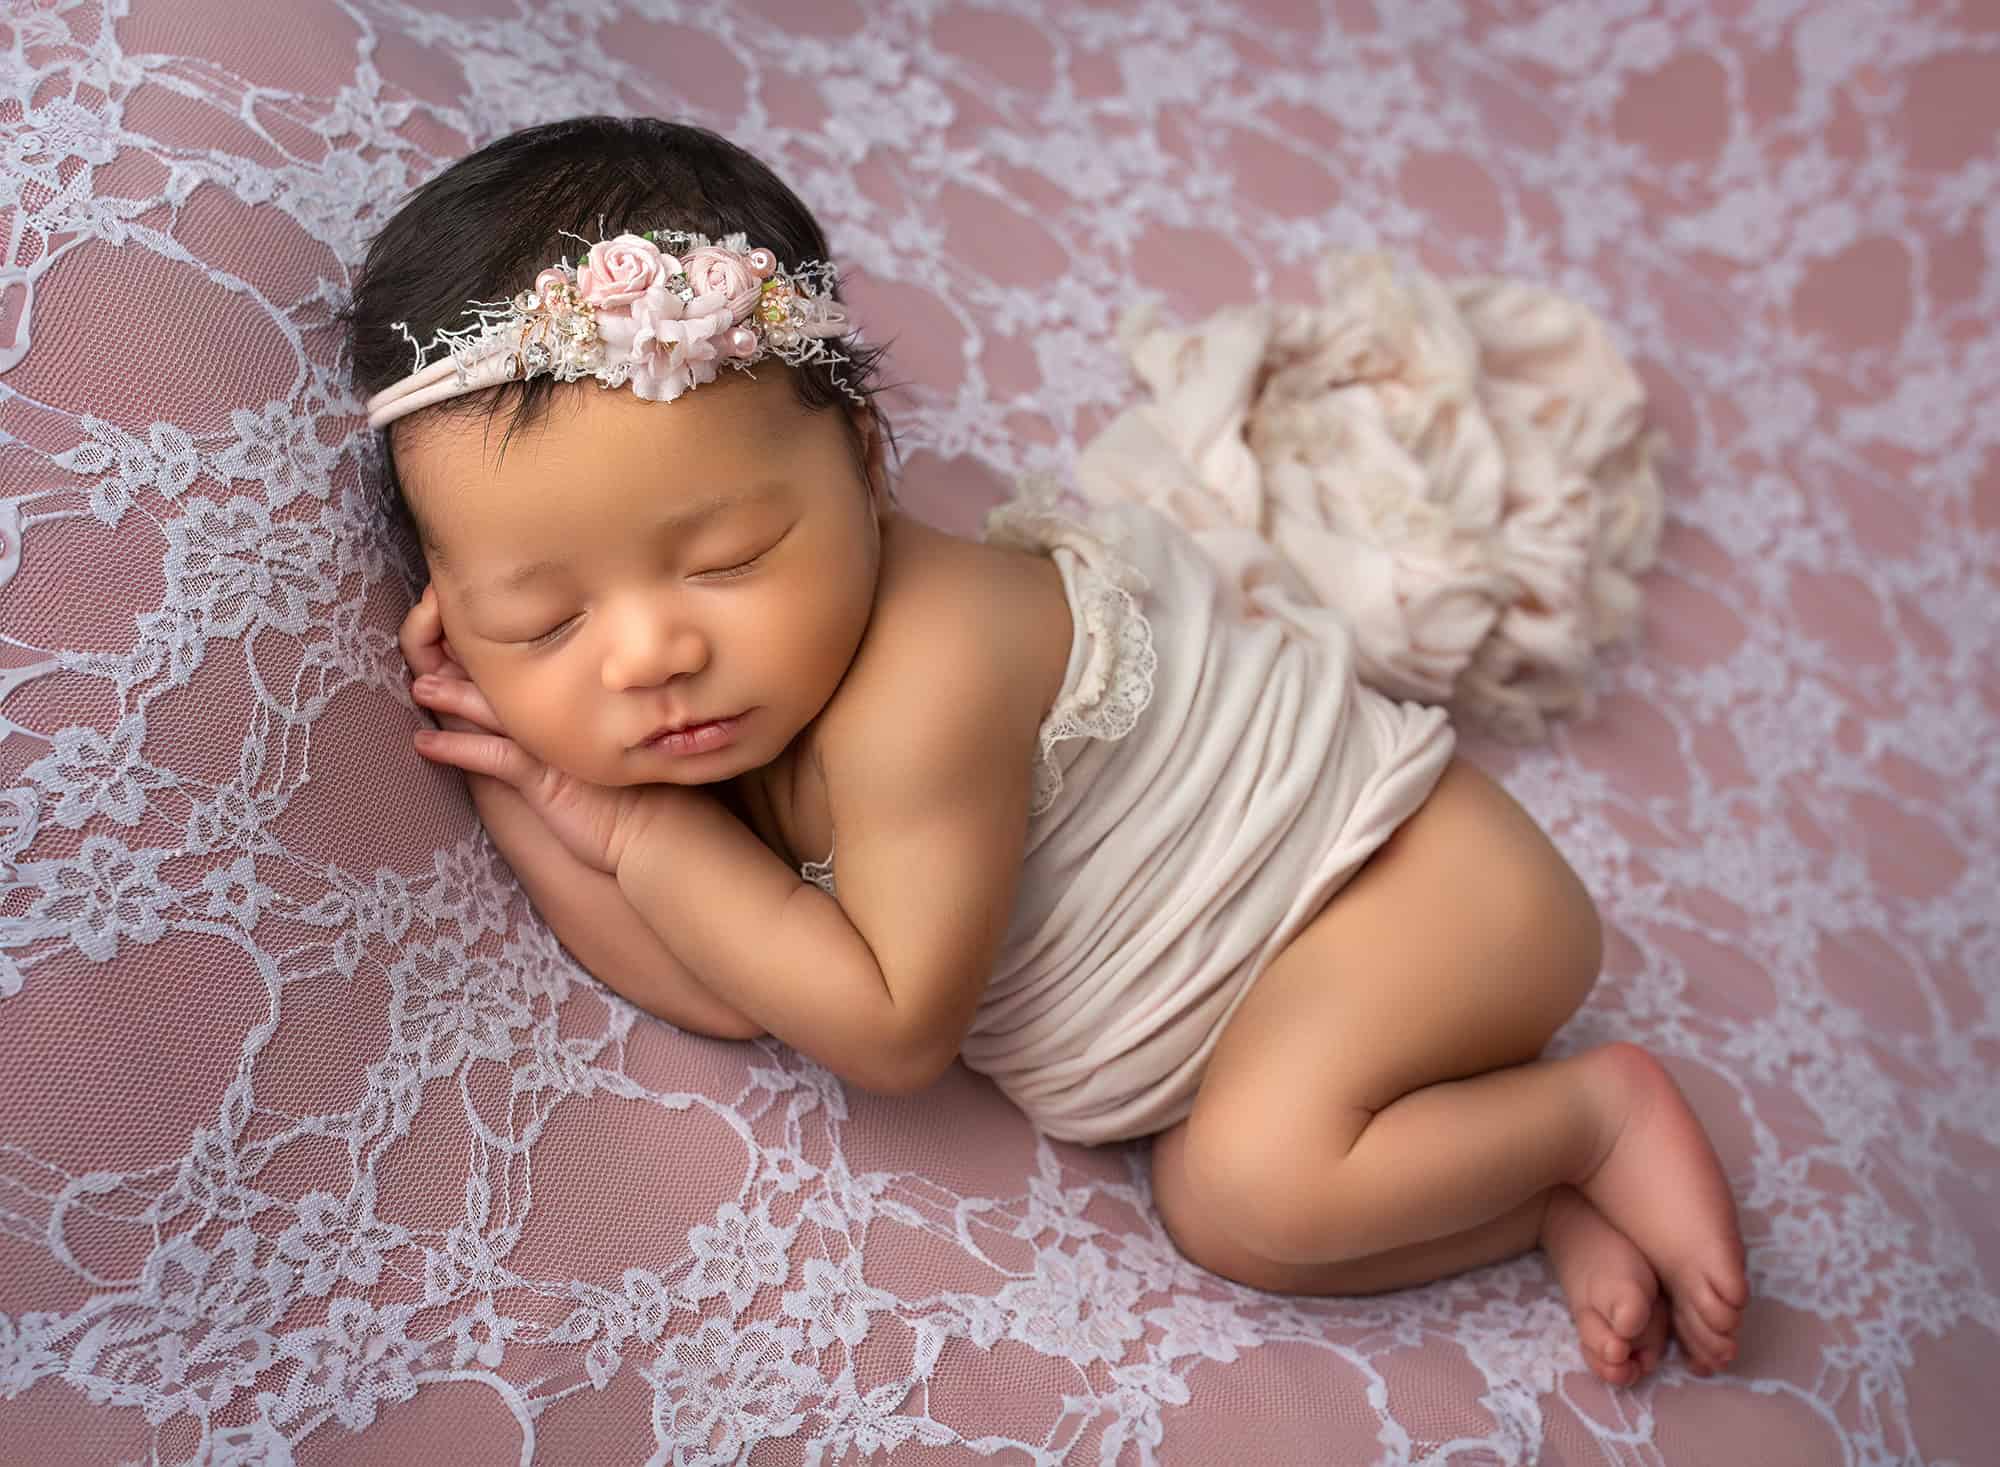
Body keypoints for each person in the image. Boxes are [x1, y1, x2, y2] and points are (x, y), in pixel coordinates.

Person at [341, 114, 1748, 1387]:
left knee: (1255, 1183)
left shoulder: (928, 675)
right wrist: (531, 789)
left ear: (865, 464)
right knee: (1227, 1217)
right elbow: (728, 985)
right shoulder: (712, 718)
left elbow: (884, 1023)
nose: (650, 653)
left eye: (730, 557)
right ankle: (1532, 1191)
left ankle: (1596, 1118)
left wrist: (630, 825)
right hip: (1289, 1007)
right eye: (544, 620)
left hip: (1408, 897)